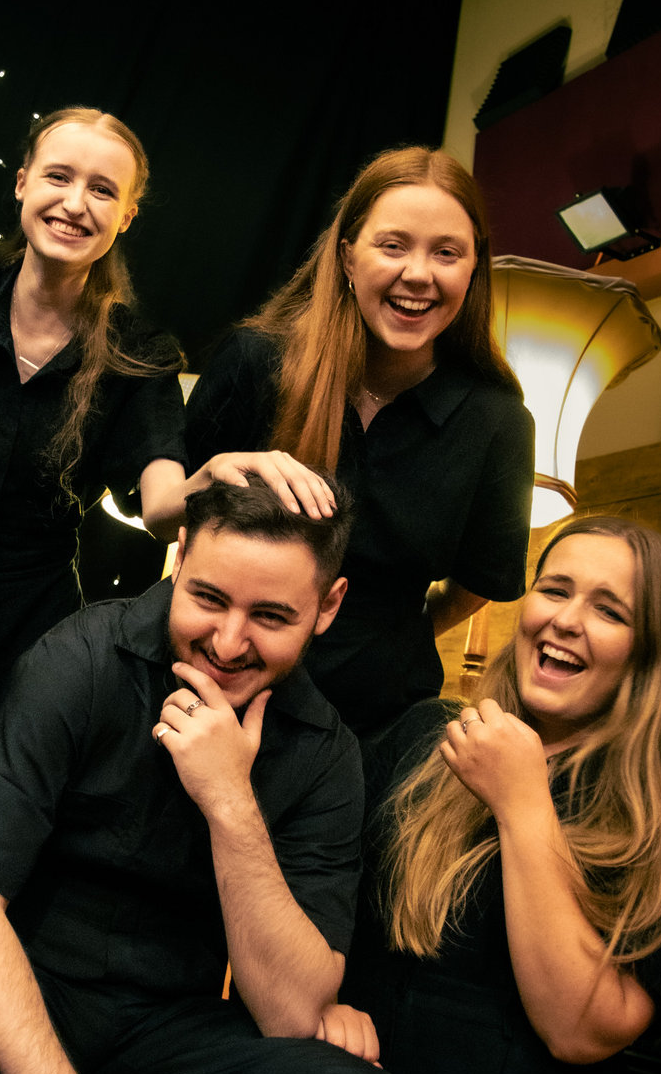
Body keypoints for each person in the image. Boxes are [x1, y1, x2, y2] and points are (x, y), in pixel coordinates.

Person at [0, 478, 451, 1074]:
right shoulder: (83, 656)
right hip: (10, 977)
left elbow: (291, 1013)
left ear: (328, 605)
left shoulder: (326, 754)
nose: (228, 643)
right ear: (181, 554)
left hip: (170, 1025)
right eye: (208, 599)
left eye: (269, 616)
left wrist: (230, 802)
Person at [0, 106, 335, 732]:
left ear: (126, 216)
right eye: (58, 177)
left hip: (31, 631)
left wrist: (216, 474)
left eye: (102, 190)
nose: (75, 204)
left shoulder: (139, 354)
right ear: (22, 183)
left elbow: (160, 510)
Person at [338, 515, 661, 1074]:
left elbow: (581, 1031)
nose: (566, 620)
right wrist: (321, 1004)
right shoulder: (425, 734)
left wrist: (523, 803)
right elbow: (323, 894)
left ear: (652, 653)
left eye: (609, 610)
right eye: (555, 590)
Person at [186, 146, 535, 740]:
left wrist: (387, 635)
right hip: (214, 695)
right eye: (393, 245)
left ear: (475, 268)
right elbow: (170, 518)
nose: (419, 274)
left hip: (374, 727)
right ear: (348, 256)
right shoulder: (255, 362)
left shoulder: (499, 423)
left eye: (446, 253)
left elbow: (482, 581)